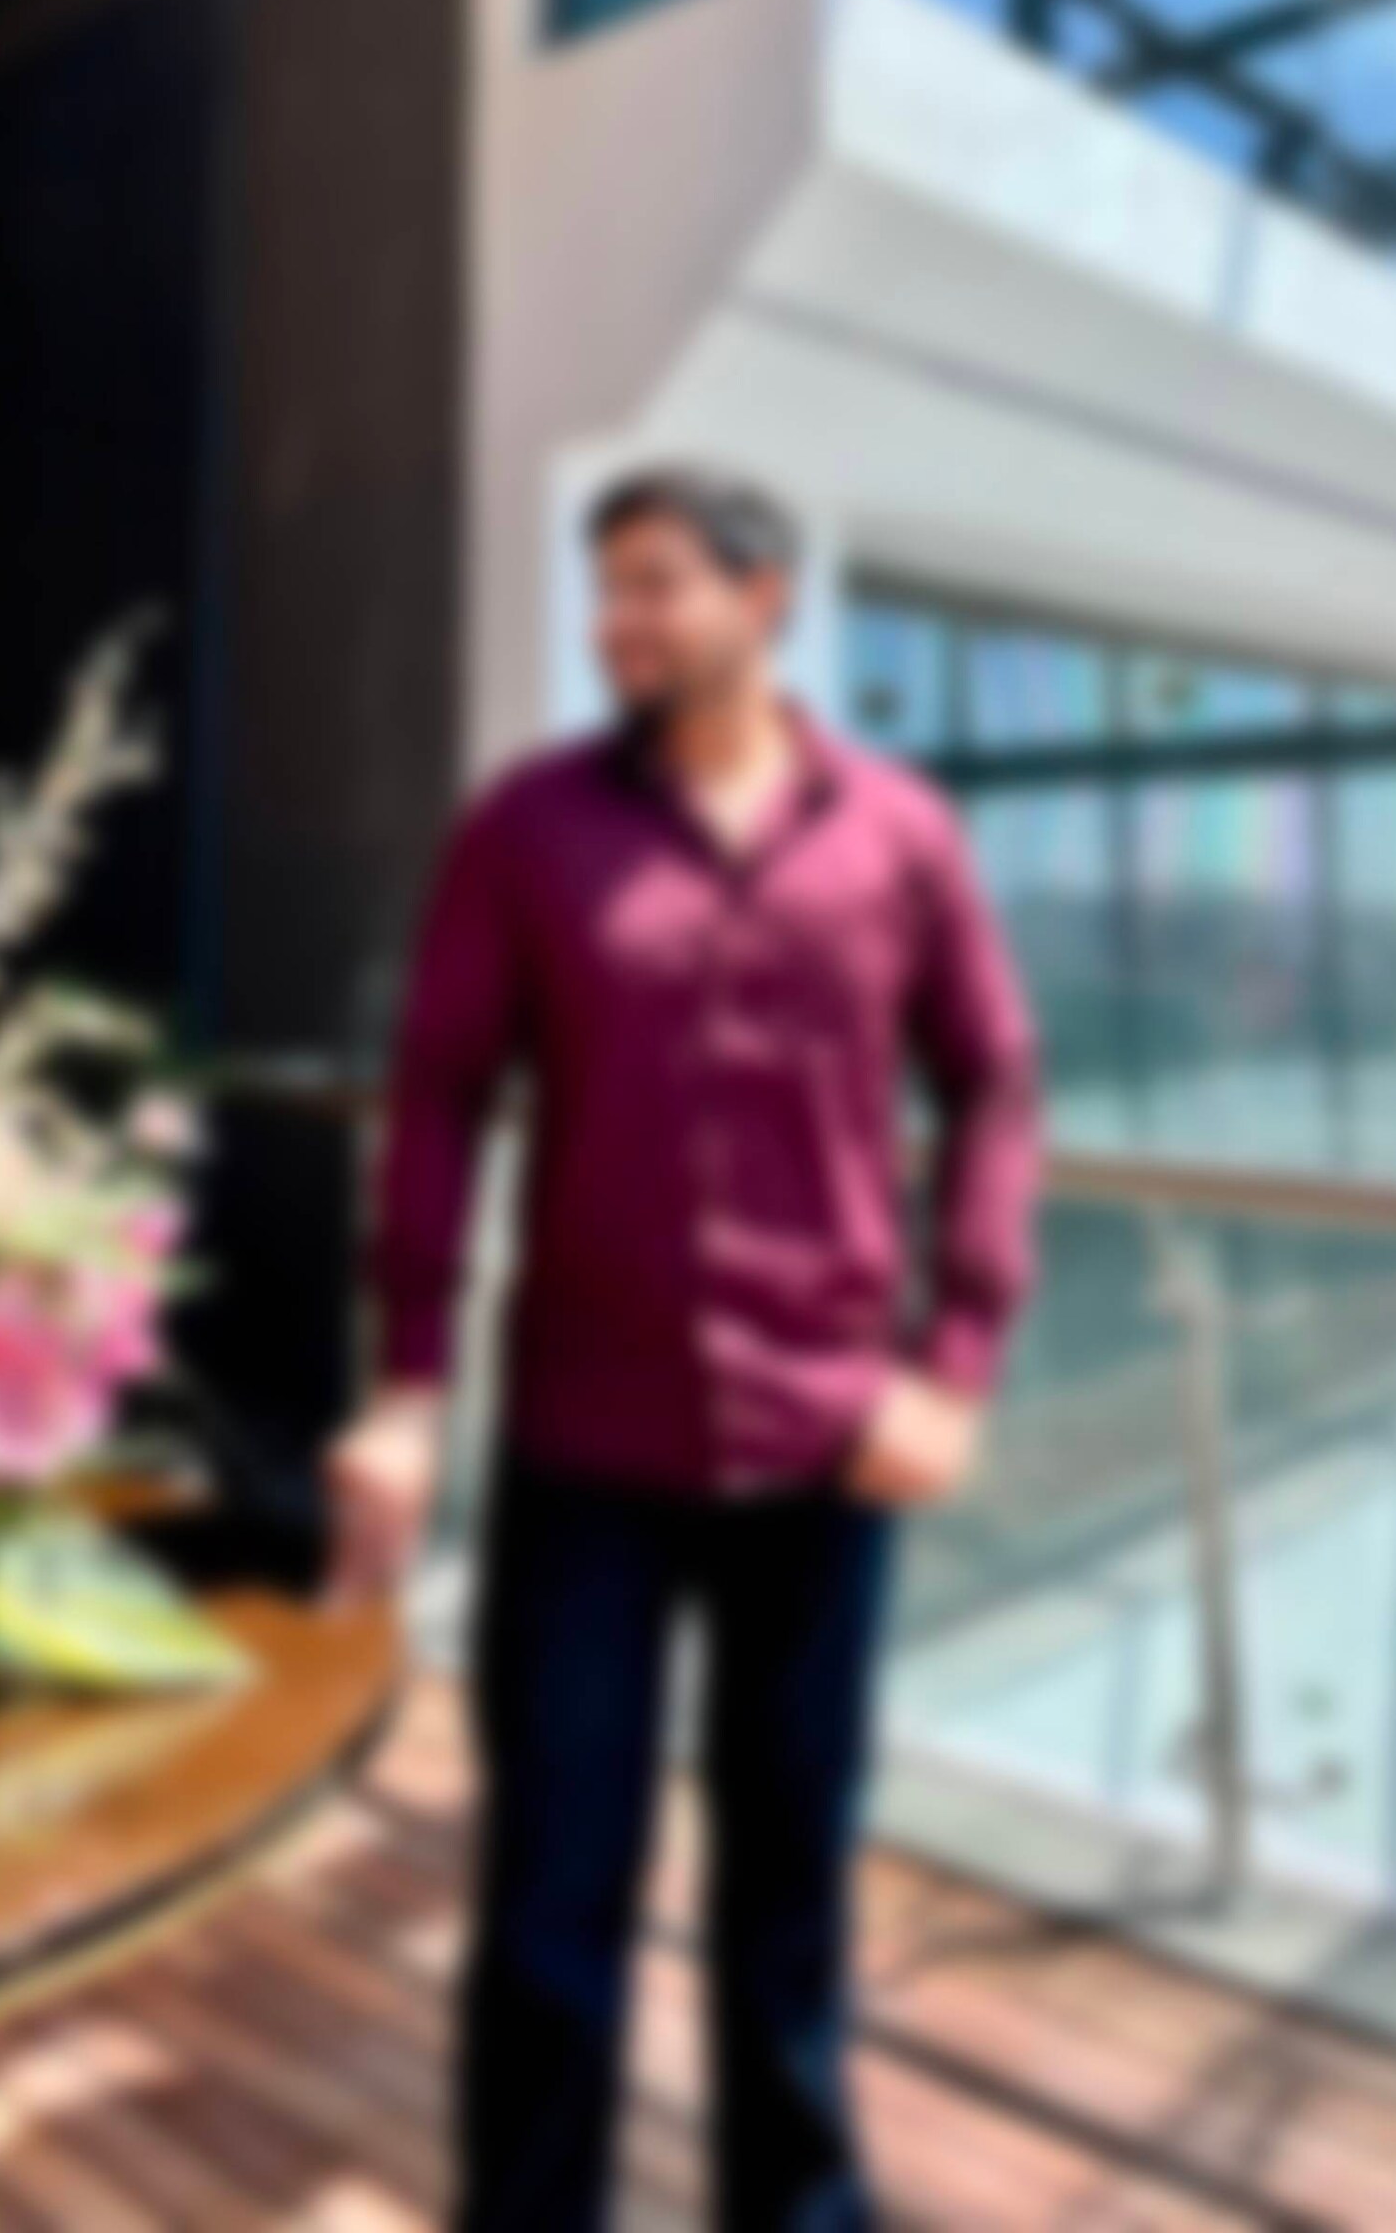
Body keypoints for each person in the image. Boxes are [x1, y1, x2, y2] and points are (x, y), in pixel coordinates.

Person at [325, 467, 1040, 2232]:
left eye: (655, 585)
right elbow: (439, 1093)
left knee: (790, 1892)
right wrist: (410, 1385)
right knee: (552, 1895)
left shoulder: (900, 834)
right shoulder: (527, 830)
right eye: (605, 588)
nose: (616, 624)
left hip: (825, 1447)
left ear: (764, 597)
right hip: (586, 1455)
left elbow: (997, 1083)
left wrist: (953, 1360)